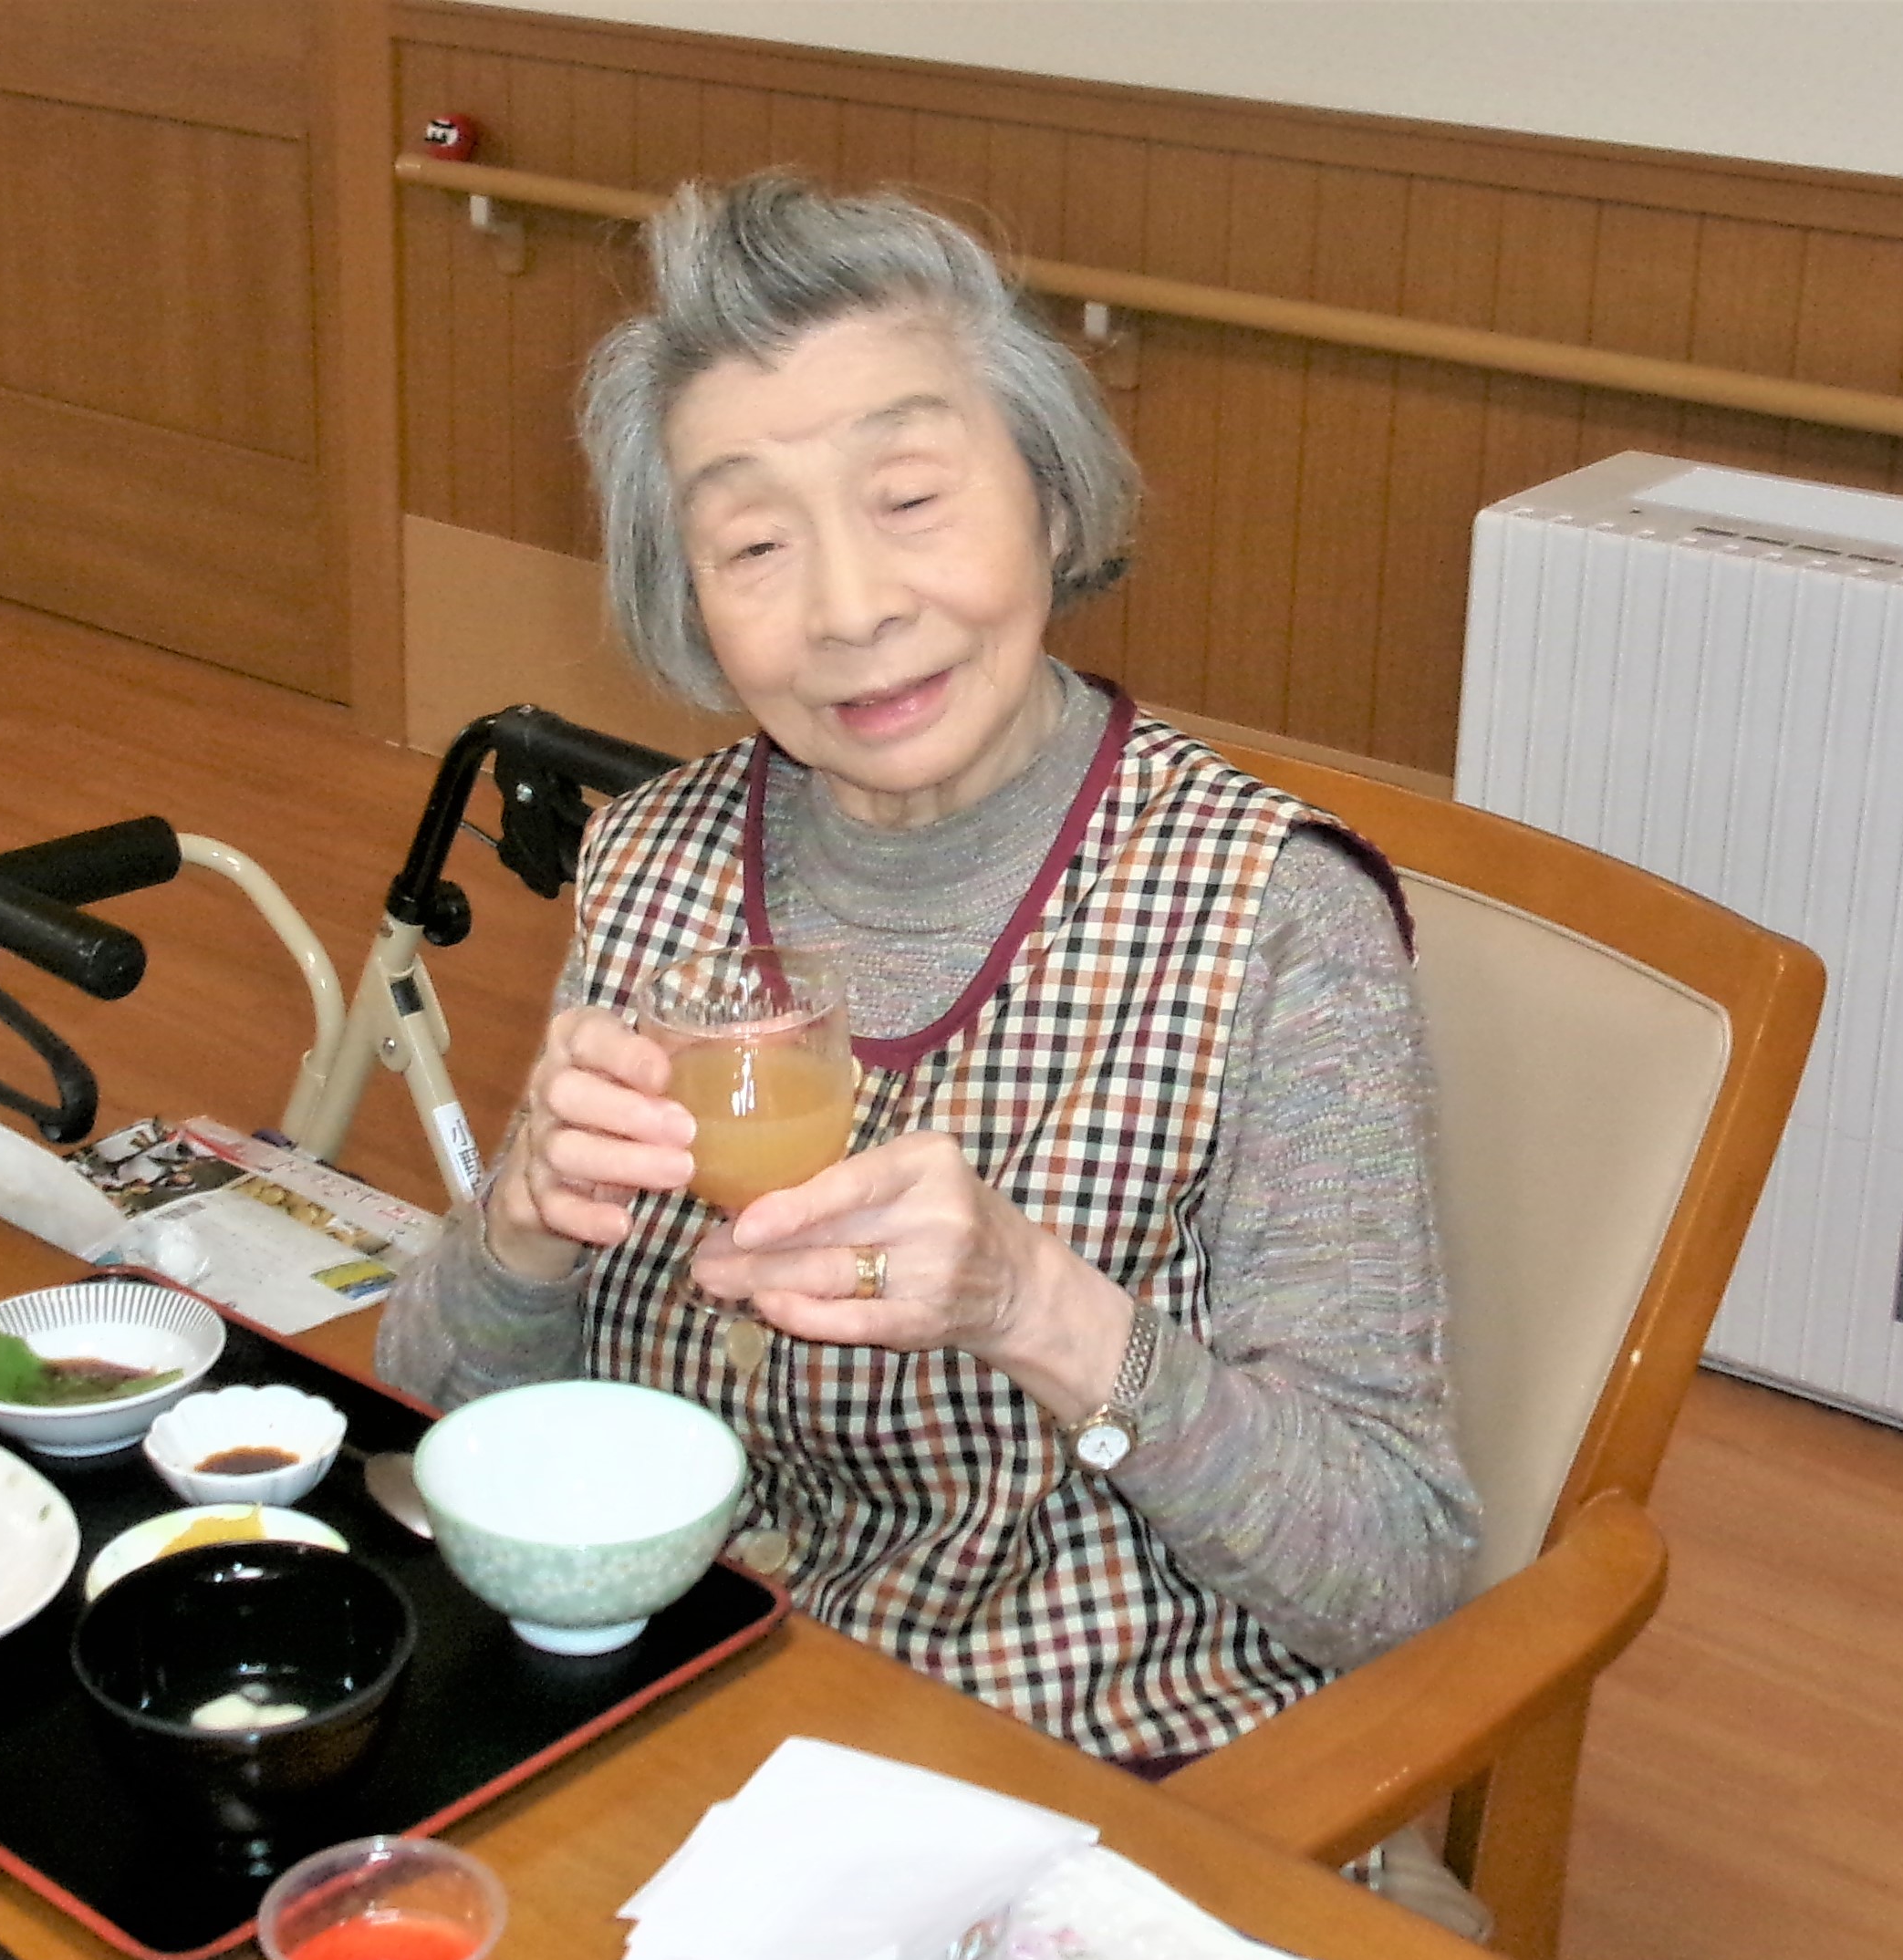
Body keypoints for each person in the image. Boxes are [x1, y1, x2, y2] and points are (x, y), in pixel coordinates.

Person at [376, 172, 1478, 1779]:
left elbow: (1395, 1570)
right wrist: (521, 1232)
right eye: (755, 542)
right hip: (691, 1700)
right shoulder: (657, 858)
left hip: (1083, 1756)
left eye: (908, 499)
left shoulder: (1275, 918)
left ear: (1051, 501)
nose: (852, 609)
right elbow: (439, 1418)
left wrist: (1035, 1304)